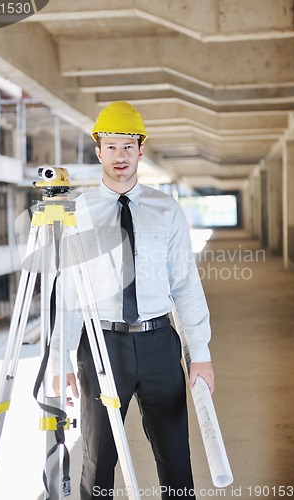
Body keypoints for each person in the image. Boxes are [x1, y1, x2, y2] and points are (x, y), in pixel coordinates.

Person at [52, 101, 214, 499]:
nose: (120, 156)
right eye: (111, 146)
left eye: (128, 146)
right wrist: (61, 360)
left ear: (141, 149)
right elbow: (70, 292)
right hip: (102, 345)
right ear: (98, 151)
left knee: (175, 455)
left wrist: (201, 353)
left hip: (160, 341)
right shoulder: (79, 214)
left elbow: (185, 284)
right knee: (98, 458)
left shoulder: (166, 210)